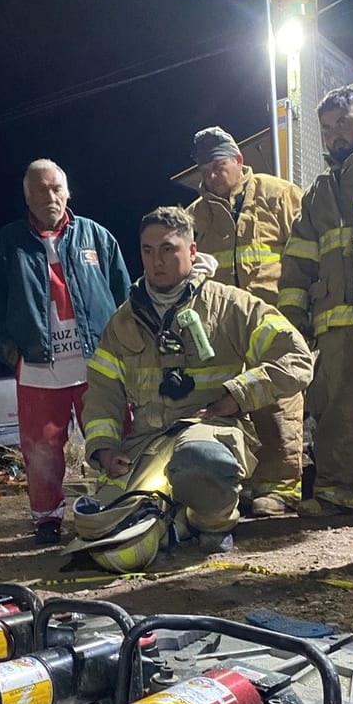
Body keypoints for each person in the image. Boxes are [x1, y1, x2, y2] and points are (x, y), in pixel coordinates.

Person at [76, 205, 313, 571]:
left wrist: (237, 396)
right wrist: (105, 449)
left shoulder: (231, 305)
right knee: (103, 529)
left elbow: (297, 358)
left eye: (168, 249)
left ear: (192, 251)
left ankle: (211, 524)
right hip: (147, 443)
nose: (157, 261)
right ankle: (175, 521)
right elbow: (103, 390)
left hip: (210, 431)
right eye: (147, 250)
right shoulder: (124, 321)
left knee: (203, 461)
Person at [0, 159, 130, 545]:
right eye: (41, 190)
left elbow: (124, 297)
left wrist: (126, 349)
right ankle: (47, 519)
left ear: (68, 191)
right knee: (42, 448)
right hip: (38, 369)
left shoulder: (97, 237)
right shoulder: (6, 245)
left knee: (116, 434)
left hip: (97, 365)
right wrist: (13, 354)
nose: (50, 196)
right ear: (27, 196)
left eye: (56, 188)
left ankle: (127, 504)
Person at [280, 87, 353, 517]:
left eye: (343, 123)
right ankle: (337, 495)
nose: (335, 135)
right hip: (335, 325)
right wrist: (294, 319)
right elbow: (297, 263)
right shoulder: (317, 196)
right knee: (335, 409)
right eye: (327, 128)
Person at [187, 126, 305, 516]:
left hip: (275, 320)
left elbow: (305, 254)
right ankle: (243, 484)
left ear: (238, 161)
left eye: (218, 166)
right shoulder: (194, 216)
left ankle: (282, 488)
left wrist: (299, 311)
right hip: (224, 329)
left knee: (278, 402)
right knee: (230, 403)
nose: (211, 176)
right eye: (204, 169)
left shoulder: (280, 195)